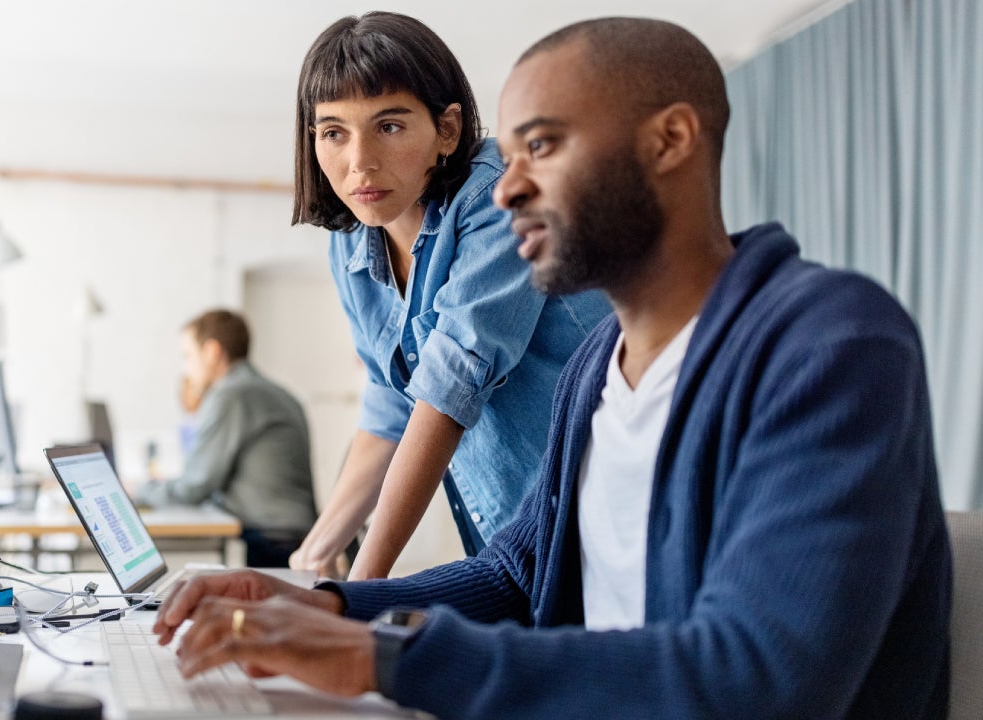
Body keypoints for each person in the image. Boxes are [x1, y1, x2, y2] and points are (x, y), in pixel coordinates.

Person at [152, 17, 951, 719]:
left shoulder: (830, 345)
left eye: (540, 145)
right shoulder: (597, 368)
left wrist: (382, 657)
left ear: (669, 141)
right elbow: (513, 574)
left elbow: (758, 679)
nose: (507, 190)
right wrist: (326, 604)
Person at [288, 12, 610, 579]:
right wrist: (315, 555)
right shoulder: (351, 241)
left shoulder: (500, 198)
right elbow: (392, 406)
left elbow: (448, 387)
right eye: (333, 132)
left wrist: (358, 590)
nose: (358, 161)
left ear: (448, 130)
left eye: (389, 126)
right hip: (513, 544)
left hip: (603, 521)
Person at [135, 309, 317, 568]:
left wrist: (140, 489)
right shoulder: (273, 391)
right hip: (292, 535)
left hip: (271, 540)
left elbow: (195, 486)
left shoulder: (231, 394)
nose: (185, 368)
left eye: (187, 356)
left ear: (211, 352)